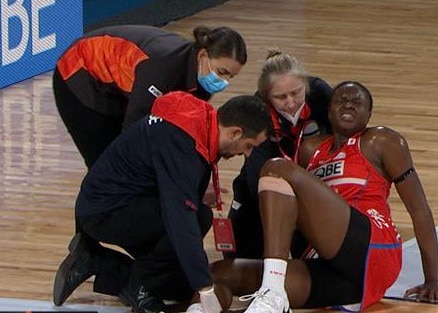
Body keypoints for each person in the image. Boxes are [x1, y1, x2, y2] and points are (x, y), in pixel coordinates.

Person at [208, 81, 438, 313]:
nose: (348, 105)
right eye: (341, 100)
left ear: (369, 113)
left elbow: (419, 210)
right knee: (219, 273)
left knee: (276, 168)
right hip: (332, 273)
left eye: (357, 101)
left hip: (371, 249)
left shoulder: (381, 140)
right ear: (328, 111)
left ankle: (272, 290)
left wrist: (433, 279)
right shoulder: (309, 149)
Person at [52, 91, 273, 313]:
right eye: (249, 145)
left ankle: (97, 262)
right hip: (104, 211)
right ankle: (112, 270)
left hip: (128, 200)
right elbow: (180, 222)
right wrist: (205, 288)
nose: (247, 153)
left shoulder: (201, 118)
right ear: (235, 132)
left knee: (180, 286)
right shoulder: (183, 146)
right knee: (192, 220)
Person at [53, 24, 247, 169]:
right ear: (203, 55)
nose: (224, 81)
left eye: (231, 76)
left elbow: (181, 132)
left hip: (120, 87)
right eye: (222, 72)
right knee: (106, 165)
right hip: (78, 73)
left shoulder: (202, 77)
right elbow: (134, 131)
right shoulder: (163, 68)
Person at [227, 49, 333, 259]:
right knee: (242, 261)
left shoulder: (321, 95)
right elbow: (258, 177)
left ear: (306, 85)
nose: (291, 102)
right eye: (281, 97)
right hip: (265, 188)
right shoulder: (258, 113)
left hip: (315, 183)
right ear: (267, 96)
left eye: (296, 92)